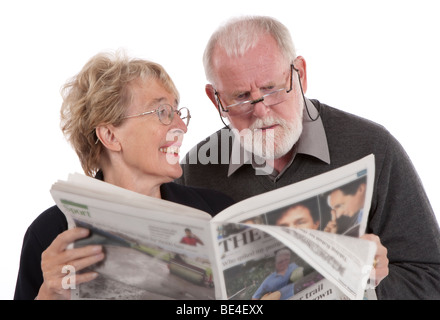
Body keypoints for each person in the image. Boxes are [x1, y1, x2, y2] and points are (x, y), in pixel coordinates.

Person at [176, 15, 440, 299]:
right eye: (241, 97)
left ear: (300, 73)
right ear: (216, 99)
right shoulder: (196, 168)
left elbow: (430, 278)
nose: (261, 112)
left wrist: (370, 283)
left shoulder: (373, 147)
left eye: (271, 89)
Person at [14, 51, 234, 300]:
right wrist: (48, 293)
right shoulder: (50, 232)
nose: (181, 127)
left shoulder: (219, 212)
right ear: (110, 136)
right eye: (162, 112)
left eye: (177, 112)